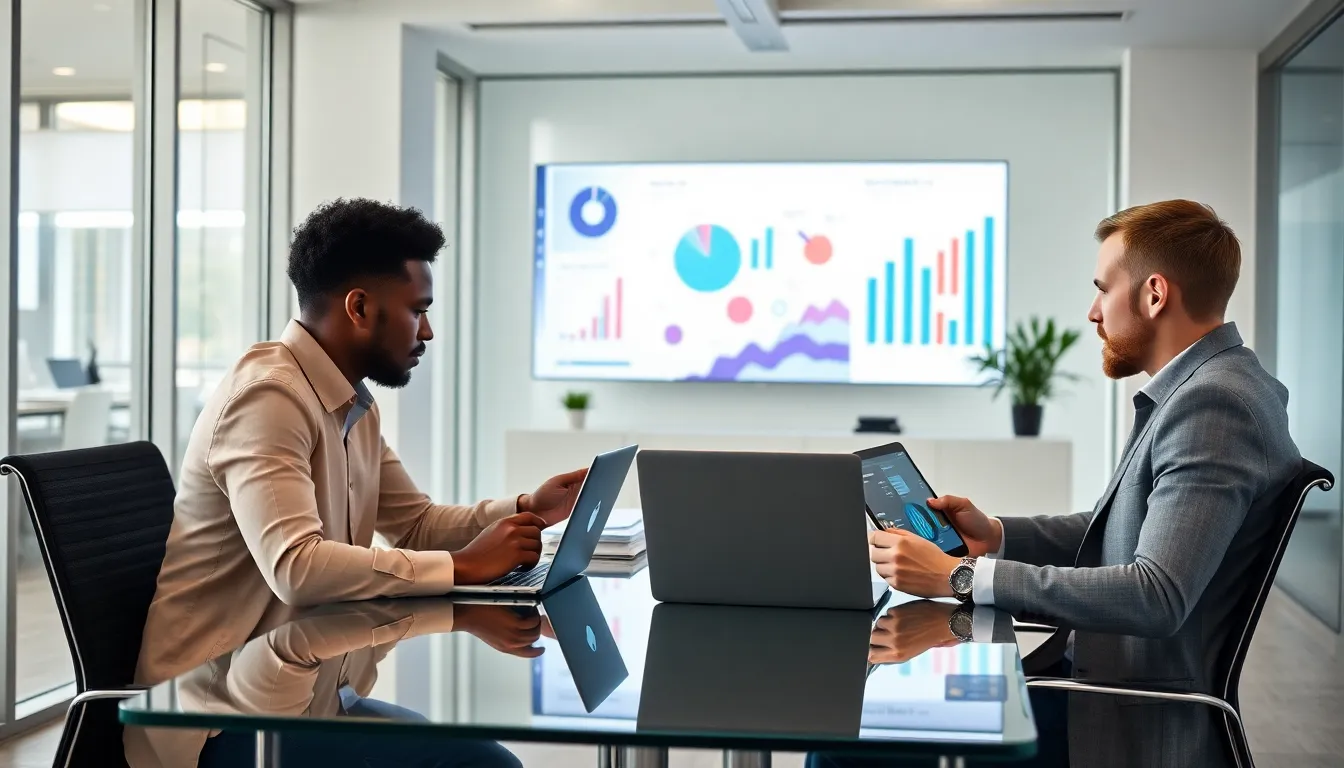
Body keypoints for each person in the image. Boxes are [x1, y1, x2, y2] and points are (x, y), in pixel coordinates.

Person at [865, 200, 1300, 767]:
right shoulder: (1208, 387)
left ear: (1154, 294)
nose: (1093, 311)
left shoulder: (1214, 408)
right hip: (1088, 682)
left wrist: (961, 575)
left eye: (1102, 288)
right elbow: (1116, 532)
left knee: (856, 744)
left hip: (1112, 716)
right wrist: (994, 535)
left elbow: (1156, 595)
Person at [132, 198, 590, 690]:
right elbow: (297, 566)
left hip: (309, 693)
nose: (428, 332)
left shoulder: (351, 404)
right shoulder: (268, 399)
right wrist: (463, 566)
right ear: (360, 307)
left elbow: (415, 525)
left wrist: (527, 508)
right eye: (418, 311)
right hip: (218, 716)